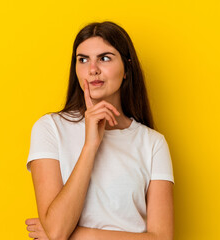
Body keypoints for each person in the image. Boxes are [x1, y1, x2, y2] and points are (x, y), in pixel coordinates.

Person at [25, 21, 175, 240]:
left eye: (105, 58)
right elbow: (57, 231)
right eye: (83, 60)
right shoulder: (50, 129)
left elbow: (162, 238)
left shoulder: (152, 143)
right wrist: (90, 145)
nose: (93, 69)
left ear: (127, 69)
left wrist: (82, 235)